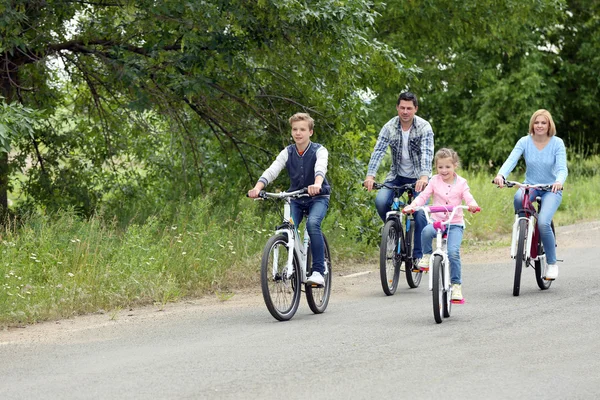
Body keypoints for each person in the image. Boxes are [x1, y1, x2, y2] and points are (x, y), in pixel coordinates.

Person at [248, 112, 331, 286]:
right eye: (295, 129)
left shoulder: (319, 150)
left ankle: (318, 269)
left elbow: (320, 167)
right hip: (296, 198)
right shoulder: (288, 151)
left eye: (302, 129)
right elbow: (273, 170)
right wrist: (257, 188)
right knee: (287, 227)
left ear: (310, 132)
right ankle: (291, 266)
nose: (298, 133)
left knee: (312, 224)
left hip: (318, 197)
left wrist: (317, 184)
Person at [493, 109, 567, 280]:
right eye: (536, 122)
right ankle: (524, 227)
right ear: (532, 124)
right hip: (530, 185)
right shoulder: (524, 141)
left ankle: (552, 263)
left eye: (543, 122)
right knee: (519, 198)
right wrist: (501, 175)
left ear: (549, 125)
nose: (539, 125)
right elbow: (511, 160)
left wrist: (559, 181)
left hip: (551, 189)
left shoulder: (557, 143)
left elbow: (562, 168)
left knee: (543, 222)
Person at [363, 91, 434, 263]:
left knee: (419, 213)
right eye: (402, 107)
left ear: (415, 109)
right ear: (397, 108)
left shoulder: (424, 127)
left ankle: (418, 256)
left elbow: (427, 153)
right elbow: (378, 151)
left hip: (419, 178)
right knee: (381, 201)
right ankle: (394, 231)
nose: (405, 111)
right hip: (397, 176)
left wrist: (424, 177)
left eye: (409, 108)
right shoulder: (389, 126)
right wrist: (370, 176)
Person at [403, 148, 479, 302]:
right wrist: (412, 205)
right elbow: (423, 196)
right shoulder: (434, 181)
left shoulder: (462, 183)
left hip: (455, 223)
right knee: (425, 232)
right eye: (440, 167)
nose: (444, 170)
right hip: (437, 222)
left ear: (455, 166)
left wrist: (472, 205)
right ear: (436, 167)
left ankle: (456, 285)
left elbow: (468, 196)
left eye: (448, 167)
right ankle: (426, 255)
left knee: (453, 252)